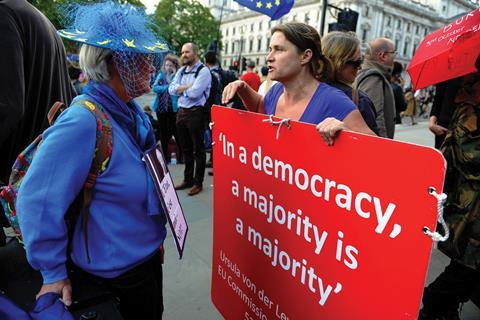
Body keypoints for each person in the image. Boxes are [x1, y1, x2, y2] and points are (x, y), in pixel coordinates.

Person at [15, 2, 169, 319]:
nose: (150, 68)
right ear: (115, 62)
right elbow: (36, 200)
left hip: (145, 263)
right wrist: (53, 272)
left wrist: (152, 240)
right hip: (113, 279)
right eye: (140, 59)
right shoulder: (83, 121)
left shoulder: (131, 112)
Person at [222, 22, 375, 145]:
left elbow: (378, 150)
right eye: (270, 49)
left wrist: (347, 133)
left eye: (279, 50)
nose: (269, 57)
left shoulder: (334, 100)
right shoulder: (277, 90)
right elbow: (260, 107)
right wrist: (244, 89)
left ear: (305, 56)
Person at [419, 67, 480, 320]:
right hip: (472, 210)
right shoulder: (469, 112)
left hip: (470, 208)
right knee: (466, 267)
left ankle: (442, 307)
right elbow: (471, 160)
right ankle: (434, 306)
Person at [0, 0, 74, 183]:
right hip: (44, 175)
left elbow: (8, 106)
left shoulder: (4, 16)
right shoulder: (40, 20)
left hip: (12, 182)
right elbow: (71, 97)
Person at [169, 42, 212, 196]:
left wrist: (181, 89)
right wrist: (186, 88)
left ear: (195, 53)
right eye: (182, 52)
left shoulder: (203, 71)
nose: (184, 55)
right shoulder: (181, 70)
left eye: (187, 52)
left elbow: (195, 93)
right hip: (181, 113)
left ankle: (197, 183)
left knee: (198, 150)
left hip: (195, 113)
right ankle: (187, 179)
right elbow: (171, 89)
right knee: (185, 149)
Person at [321, 31, 379, 135]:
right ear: (338, 62)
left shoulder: (304, 92)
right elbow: (374, 146)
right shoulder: (360, 100)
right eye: (356, 63)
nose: (360, 67)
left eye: (361, 62)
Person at [356, 37, 397, 139]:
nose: (395, 57)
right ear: (383, 56)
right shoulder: (373, 77)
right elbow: (375, 116)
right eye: (394, 53)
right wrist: (383, 144)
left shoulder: (370, 72)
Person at [152, 54, 182, 163]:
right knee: (163, 133)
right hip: (161, 108)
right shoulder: (161, 75)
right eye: (166, 65)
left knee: (176, 131)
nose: (167, 67)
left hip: (173, 108)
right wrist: (167, 88)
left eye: (170, 65)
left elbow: (178, 89)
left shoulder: (178, 76)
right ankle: (164, 157)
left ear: (174, 66)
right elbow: (154, 88)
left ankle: (181, 156)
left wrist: (173, 76)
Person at [429, 78, 462, 149]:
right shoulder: (447, 70)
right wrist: (432, 123)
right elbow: (438, 98)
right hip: (445, 129)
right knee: (444, 159)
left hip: (474, 130)